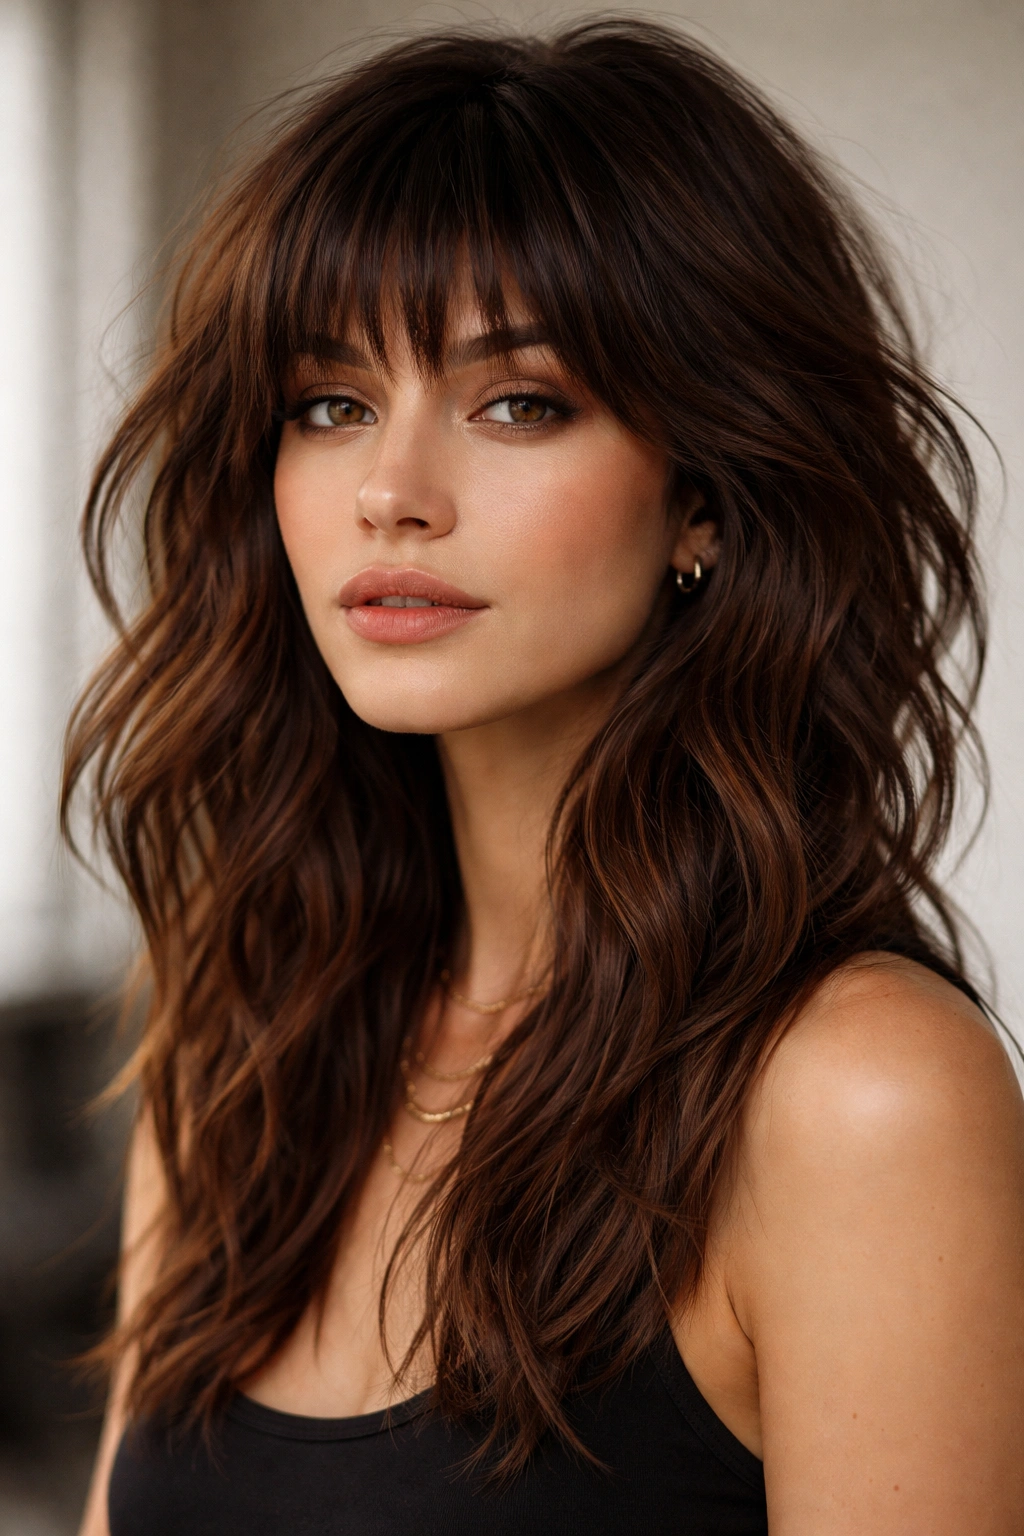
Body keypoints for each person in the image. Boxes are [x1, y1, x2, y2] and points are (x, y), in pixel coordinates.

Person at [67, 19, 1024, 1535]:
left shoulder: (859, 1100)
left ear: (705, 488)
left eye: (518, 402)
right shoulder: (249, 1044)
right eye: (329, 403)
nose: (392, 491)